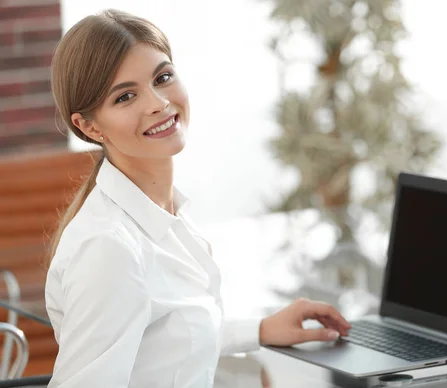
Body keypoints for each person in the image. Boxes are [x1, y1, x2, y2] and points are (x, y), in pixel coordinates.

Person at [44, 9, 351, 388]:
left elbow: (163, 341)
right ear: (89, 126)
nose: (157, 103)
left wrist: (262, 329)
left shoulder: (162, 212)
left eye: (163, 77)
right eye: (125, 96)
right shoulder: (109, 249)